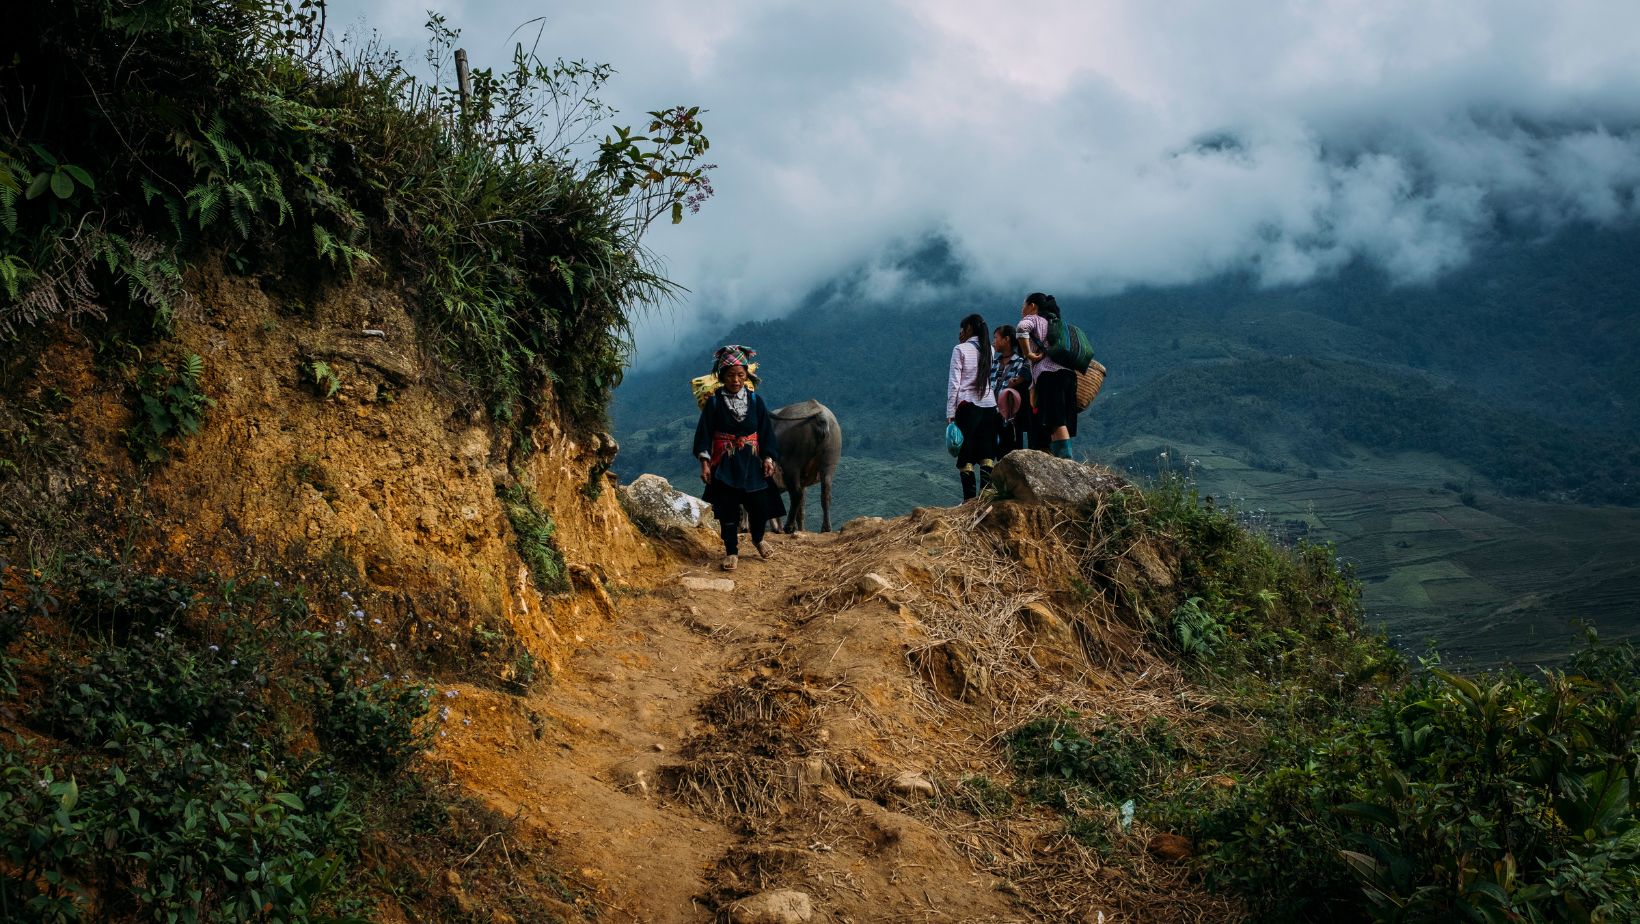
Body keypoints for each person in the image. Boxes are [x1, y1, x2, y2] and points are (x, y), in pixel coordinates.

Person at [692, 345, 785, 571]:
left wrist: (768, 459)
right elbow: (704, 434)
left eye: (740, 375)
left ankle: (759, 539)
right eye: (731, 375)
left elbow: (765, 433)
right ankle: (732, 552)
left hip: (752, 462)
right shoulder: (714, 403)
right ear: (722, 377)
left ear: (747, 376)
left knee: (759, 506)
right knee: (728, 510)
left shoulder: (755, 401)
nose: (735, 380)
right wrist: (705, 463)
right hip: (726, 464)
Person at [946, 313, 999, 500]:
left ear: (969, 329)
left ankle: (969, 500)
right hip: (989, 404)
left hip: (967, 405)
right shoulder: (990, 351)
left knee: (965, 453)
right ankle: (986, 498)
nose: (960, 332)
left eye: (962, 328)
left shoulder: (960, 349)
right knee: (986, 452)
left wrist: (950, 412)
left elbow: (955, 383)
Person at [1017, 293, 1077, 459]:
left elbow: (1021, 329)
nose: (1022, 310)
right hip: (1069, 375)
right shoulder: (1056, 324)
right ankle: (1061, 459)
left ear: (1033, 306)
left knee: (1056, 420)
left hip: (1050, 375)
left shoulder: (1035, 320)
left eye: (1024, 305)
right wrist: (1032, 388)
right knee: (1057, 421)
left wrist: (1028, 353)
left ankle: (1066, 463)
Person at [990, 323, 1031, 456]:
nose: (993, 342)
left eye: (996, 338)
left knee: (1012, 456)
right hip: (991, 415)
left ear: (1006, 339)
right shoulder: (993, 363)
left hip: (1011, 419)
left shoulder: (1021, 363)